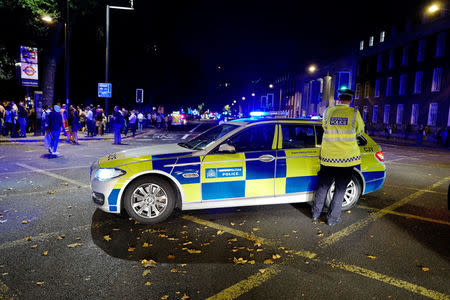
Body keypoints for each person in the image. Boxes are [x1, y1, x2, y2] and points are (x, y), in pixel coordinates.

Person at [311, 88, 365, 226]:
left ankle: (315, 214)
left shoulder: (328, 111)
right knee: (340, 189)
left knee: (323, 186)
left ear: (339, 99)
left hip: (328, 157)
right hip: (347, 159)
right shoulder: (354, 113)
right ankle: (332, 219)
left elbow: (324, 126)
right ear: (350, 100)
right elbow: (360, 131)